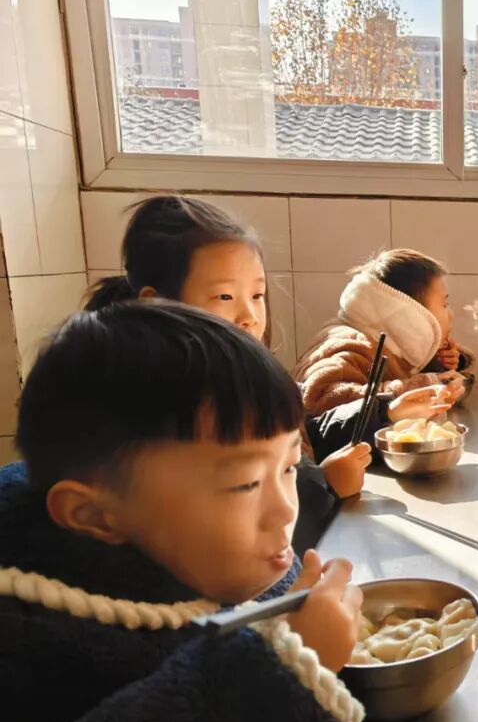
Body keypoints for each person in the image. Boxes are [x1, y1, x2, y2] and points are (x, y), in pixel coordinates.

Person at [0, 301, 365, 722]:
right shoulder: (29, 651)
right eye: (246, 483)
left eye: (287, 467)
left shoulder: (188, 559)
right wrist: (278, 679)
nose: (285, 510)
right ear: (96, 516)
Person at [82, 195, 372, 551]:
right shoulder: (178, 406)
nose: (249, 315)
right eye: (224, 297)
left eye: (257, 295)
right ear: (156, 304)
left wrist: (382, 412)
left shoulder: (243, 378)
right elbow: (238, 522)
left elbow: (298, 434)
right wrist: (326, 488)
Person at [294, 249, 472, 419]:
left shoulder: (386, 344)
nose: (451, 314)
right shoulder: (352, 344)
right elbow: (317, 398)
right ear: (410, 317)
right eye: (444, 305)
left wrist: (437, 363)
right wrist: (411, 389)